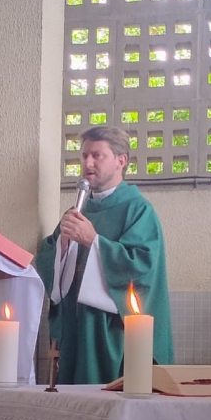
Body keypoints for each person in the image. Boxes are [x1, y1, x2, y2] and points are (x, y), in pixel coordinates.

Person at [35, 126, 173, 384]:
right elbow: (46, 260)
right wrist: (62, 247)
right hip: (76, 328)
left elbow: (143, 266)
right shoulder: (78, 210)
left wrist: (93, 241)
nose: (88, 163)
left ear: (121, 161)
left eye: (97, 155)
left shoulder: (138, 210)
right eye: (84, 155)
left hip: (113, 331)